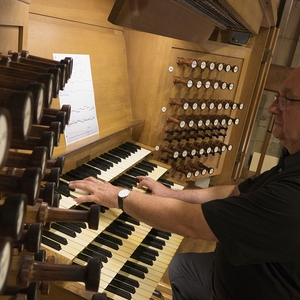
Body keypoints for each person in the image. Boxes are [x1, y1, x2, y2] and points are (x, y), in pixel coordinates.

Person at [69, 66, 300, 300]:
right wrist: (170, 194)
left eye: (285, 100)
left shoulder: (294, 196)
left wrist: (119, 196)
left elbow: (194, 224)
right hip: (241, 273)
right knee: (181, 266)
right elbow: (233, 190)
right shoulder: (292, 162)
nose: (272, 108)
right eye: (276, 98)